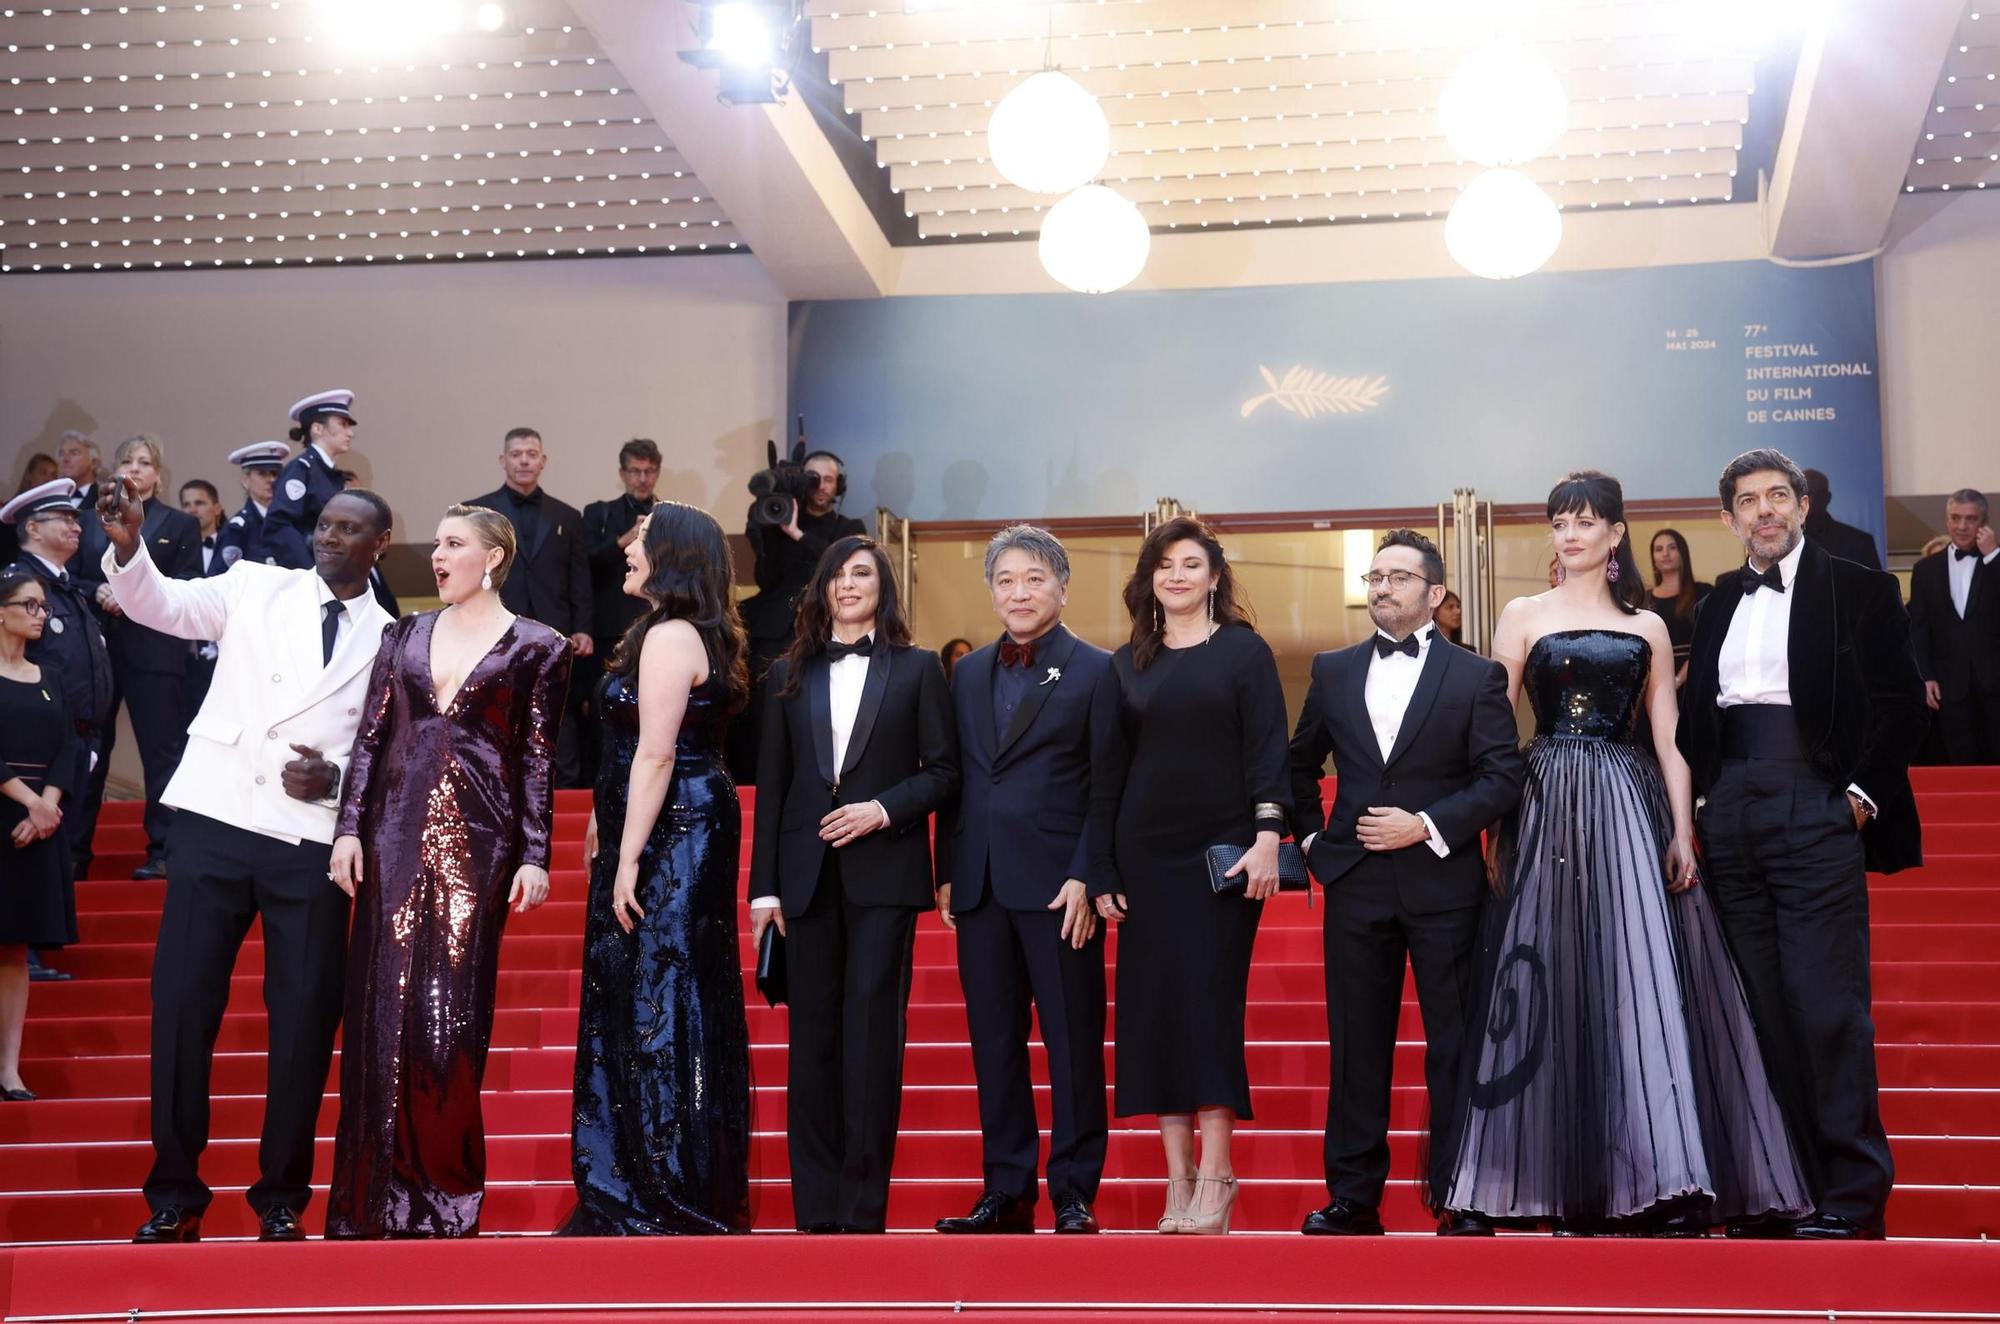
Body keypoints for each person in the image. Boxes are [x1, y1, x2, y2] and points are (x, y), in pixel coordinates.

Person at [1448, 472, 1810, 1236]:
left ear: (1616, 535)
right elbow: (1490, 731)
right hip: (1544, 801)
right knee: (1539, 976)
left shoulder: (1646, 626)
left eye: (1585, 522)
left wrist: (1682, 830)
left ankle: (1654, 1178)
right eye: (1560, 522)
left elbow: (1671, 741)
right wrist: (1489, 822)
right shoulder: (1520, 615)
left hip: (1625, 802)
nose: (1571, 534)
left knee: (1631, 980)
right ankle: (1516, 1179)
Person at [95, 483, 397, 1244]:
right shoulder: (257, 584)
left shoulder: (394, 639)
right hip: (215, 819)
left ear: (380, 545)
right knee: (184, 1006)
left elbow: (390, 755)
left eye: (348, 530)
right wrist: (129, 548)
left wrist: (334, 785)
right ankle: (174, 1193)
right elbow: (164, 607)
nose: (329, 538)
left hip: (310, 842)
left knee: (302, 1021)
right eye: (325, 525)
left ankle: (282, 1198)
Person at [1680, 450, 1928, 1240]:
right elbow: (1696, 717)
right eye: (1748, 501)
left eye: (1777, 496)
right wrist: (1711, 797)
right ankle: (1778, 1188)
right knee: (1758, 1010)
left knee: (1828, 1007)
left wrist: (1856, 798)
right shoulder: (1716, 602)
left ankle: (1852, 1197)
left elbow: (1899, 704)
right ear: (1727, 520)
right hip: (1735, 809)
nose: (1764, 511)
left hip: (1817, 803)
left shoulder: (1861, 587)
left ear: (1803, 506)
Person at [325, 505, 570, 1239]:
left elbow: (536, 756)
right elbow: (369, 739)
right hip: (392, 835)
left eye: (453, 544)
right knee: (377, 1010)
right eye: (436, 542)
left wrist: (534, 852)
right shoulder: (401, 635)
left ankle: (445, 1196)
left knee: (451, 1015)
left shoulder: (540, 647)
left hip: (481, 841)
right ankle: (372, 1199)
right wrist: (346, 830)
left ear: (493, 558)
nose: (436, 554)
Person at [1286, 529, 1523, 1238]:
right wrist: (1310, 843)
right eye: (1375, 575)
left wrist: (1425, 823)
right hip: (1357, 883)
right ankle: (1353, 1198)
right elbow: (1296, 764)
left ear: (1435, 593)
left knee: (1456, 1044)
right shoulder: (1331, 670)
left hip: (1445, 882)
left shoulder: (1475, 676)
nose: (1382, 586)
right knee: (1357, 1045)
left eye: (1397, 576)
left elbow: (1502, 778)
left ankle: (1464, 1195)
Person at [748, 535, 958, 1234]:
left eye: (862, 573)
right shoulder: (786, 673)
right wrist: (764, 891)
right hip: (805, 882)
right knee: (810, 1045)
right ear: (821, 588)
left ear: (883, 587)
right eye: (837, 573)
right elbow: (772, 789)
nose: (848, 584)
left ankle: (863, 1211)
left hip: (885, 876)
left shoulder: (919, 669)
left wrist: (883, 808)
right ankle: (815, 1214)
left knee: (871, 1042)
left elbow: (944, 772)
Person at [1088, 516, 1290, 1236]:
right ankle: (1175, 1179)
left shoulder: (1243, 652)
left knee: (1207, 1011)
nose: (1176, 575)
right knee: (1153, 1018)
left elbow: (1271, 751)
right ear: (1150, 579)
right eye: (1164, 565)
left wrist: (1268, 835)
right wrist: (1102, 865)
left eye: (1191, 564)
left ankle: (1218, 1174)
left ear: (1214, 577)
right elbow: (1106, 777)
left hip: (1221, 859)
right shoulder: (1126, 663)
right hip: (1144, 858)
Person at [562, 502, 755, 1236]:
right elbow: (628, 747)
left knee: (662, 987)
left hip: (676, 827)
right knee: (645, 984)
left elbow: (657, 752)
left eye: (640, 540)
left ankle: (663, 1179)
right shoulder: (658, 629)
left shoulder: (673, 635)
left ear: (672, 553)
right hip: (655, 819)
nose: (628, 550)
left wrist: (629, 854)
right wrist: (600, 825)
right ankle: (640, 1170)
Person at [933, 526, 1114, 1237]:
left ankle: (1073, 1191)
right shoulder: (968, 671)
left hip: (1057, 886)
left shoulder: (1099, 670)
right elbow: (956, 780)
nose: (1019, 592)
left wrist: (1086, 873)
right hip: (979, 884)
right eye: (1006, 580)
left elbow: (1108, 785)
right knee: (994, 1044)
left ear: (1062, 588)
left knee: (1071, 1043)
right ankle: (1005, 1191)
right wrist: (948, 871)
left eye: (1034, 579)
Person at [72, 436, 202, 880]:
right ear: (114, 470)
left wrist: (133, 597)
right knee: (90, 752)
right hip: (95, 652)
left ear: (158, 474)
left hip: (155, 650)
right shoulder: (89, 521)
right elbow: (71, 579)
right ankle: (73, 853)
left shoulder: (179, 523)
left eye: (145, 462)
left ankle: (163, 851)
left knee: (161, 753)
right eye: (128, 460)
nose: (136, 468)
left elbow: (188, 582)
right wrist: (98, 590)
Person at [5, 482, 112, 945]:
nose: (76, 526)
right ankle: (24, 945)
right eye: (64, 519)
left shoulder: (66, 588)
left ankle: (33, 944)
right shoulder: (21, 586)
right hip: (32, 750)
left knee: (58, 850)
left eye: (75, 518)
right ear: (32, 527)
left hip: (74, 742)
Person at [466, 427, 594, 787]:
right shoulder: (478, 513)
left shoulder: (567, 516)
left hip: (555, 630)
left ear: (543, 461)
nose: (524, 460)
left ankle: (565, 788)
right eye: (517, 453)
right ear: (503, 460)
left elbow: (579, 578)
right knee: (497, 706)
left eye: (531, 453)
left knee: (561, 709)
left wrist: (583, 626)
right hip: (496, 627)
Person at [0, 563, 85, 1099]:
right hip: (12, 813)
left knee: (13, 951)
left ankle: (9, 1068)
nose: (40, 616)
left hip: (39, 825)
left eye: (43, 606)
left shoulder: (49, 674)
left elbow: (68, 748)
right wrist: (31, 802)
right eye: (29, 605)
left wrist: (48, 804)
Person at [734, 450, 866, 782]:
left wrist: (797, 534)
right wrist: (772, 529)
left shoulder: (850, 527)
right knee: (764, 705)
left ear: (839, 486)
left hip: (824, 626)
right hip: (777, 625)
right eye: (813, 478)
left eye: (829, 479)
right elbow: (766, 577)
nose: (820, 486)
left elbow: (839, 564)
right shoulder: (780, 517)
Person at [578, 439, 662, 786]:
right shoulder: (599, 513)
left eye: (649, 471)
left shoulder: (670, 515)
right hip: (610, 628)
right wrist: (624, 540)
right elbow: (585, 564)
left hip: (654, 623)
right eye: (635, 471)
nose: (642, 479)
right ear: (622, 473)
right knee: (606, 708)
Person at [1908, 489, 2000, 765]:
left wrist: (1994, 555)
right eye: (1955, 518)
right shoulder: (1925, 569)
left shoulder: (1995, 561)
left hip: (1995, 683)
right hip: (1948, 685)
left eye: (1970, 519)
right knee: (1957, 762)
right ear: (1947, 520)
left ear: (1983, 522)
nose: (1962, 526)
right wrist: (1926, 676)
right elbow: (1919, 628)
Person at [263, 391, 358, 570]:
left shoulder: (332, 475)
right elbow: (278, 525)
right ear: (317, 428)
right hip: (310, 573)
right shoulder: (301, 470)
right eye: (343, 424)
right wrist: (309, 571)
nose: (350, 433)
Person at [179, 479, 225, 714]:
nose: (192, 510)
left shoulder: (234, 544)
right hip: (187, 655)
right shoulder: (178, 551)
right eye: (186, 505)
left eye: (199, 503)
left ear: (217, 508)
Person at [1645, 528, 1711, 687]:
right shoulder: (1643, 599)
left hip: (1696, 678)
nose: (1665, 553)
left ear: (1683, 553)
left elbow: (1708, 642)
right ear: (1653, 558)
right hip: (1654, 680)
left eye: (1672, 547)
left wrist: (1678, 679)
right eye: (1659, 549)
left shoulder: (1702, 592)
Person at [214, 442, 289, 573]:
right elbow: (220, 579)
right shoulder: (237, 530)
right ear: (245, 481)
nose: (271, 480)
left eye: (275, 474)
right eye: (262, 474)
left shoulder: (290, 521)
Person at [1802, 469, 1884, 570]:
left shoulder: (1859, 543)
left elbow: (1875, 585)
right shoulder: (1781, 540)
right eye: (1798, 494)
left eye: (1810, 493)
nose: (1803, 500)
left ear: (1827, 498)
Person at [0, 454, 57, 568]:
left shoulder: (57, 516)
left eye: (53, 475)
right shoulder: (7, 512)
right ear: (29, 476)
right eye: (43, 473)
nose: (49, 479)